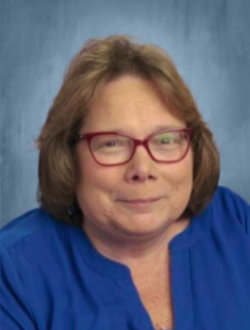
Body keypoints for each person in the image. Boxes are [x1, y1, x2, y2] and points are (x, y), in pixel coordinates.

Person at [1, 35, 250, 330]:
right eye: (111, 144)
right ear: (68, 156)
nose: (142, 169)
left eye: (166, 139)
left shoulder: (233, 222)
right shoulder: (14, 270)